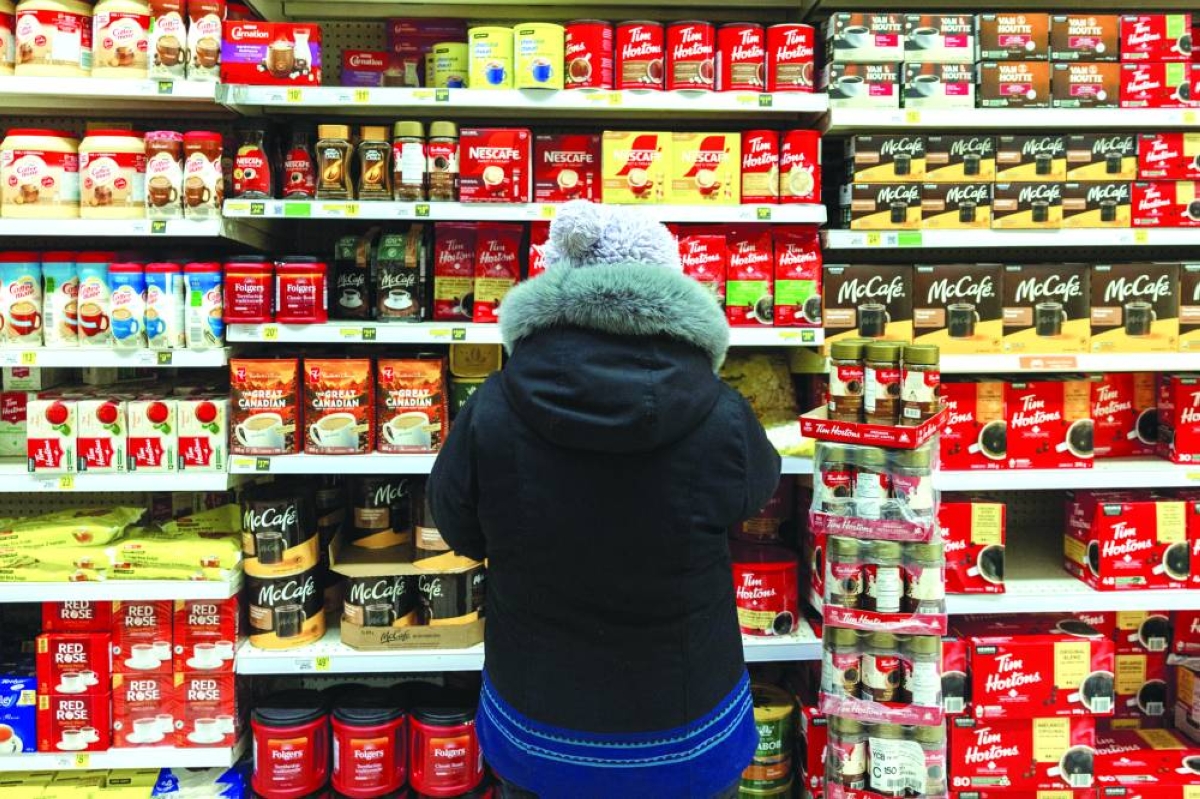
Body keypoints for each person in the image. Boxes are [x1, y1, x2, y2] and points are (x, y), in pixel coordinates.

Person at [428, 200, 782, 798]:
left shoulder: (492, 406)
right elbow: (754, 494)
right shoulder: (721, 411)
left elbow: (457, 526)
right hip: (687, 728)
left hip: (537, 723)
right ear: (670, 287)